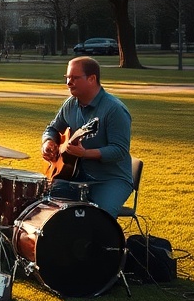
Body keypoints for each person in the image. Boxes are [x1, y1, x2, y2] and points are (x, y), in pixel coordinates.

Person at [42, 56, 132, 217]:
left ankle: (106, 242)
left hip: (110, 179)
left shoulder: (114, 109)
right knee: (45, 205)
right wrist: (48, 142)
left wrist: (85, 154)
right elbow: (53, 128)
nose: (68, 83)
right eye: (67, 78)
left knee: (98, 218)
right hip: (74, 176)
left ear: (92, 79)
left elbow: (119, 150)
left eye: (74, 78)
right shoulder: (71, 104)